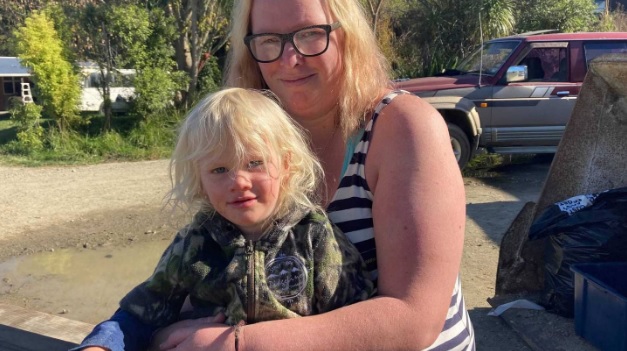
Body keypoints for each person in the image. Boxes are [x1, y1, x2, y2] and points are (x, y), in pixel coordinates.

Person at [151, 0, 476, 350]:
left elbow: (414, 320)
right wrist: (161, 332)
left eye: (309, 35)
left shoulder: (405, 128)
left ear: (348, 35)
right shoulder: (249, 139)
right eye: (268, 41)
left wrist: (238, 343)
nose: (288, 59)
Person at [71, 87, 374, 351]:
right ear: (200, 180)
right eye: (219, 170)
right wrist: (101, 345)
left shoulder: (315, 236)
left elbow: (354, 326)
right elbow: (139, 313)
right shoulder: (195, 243)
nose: (238, 181)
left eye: (254, 163)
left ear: (286, 165)